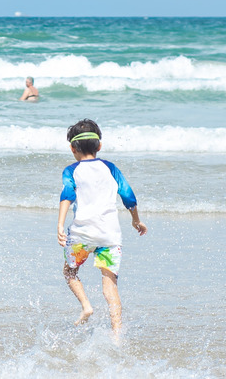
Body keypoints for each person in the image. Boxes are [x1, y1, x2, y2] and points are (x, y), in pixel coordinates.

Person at [57, 119, 147, 334]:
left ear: (72, 148)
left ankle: (86, 307)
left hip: (81, 234)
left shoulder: (71, 170)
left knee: (70, 272)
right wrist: (136, 219)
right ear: (99, 146)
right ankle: (117, 333)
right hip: (109, 235)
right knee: (110, 282)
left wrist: (60, 225)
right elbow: (127, 195)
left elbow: (67, 195)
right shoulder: (110, 168)